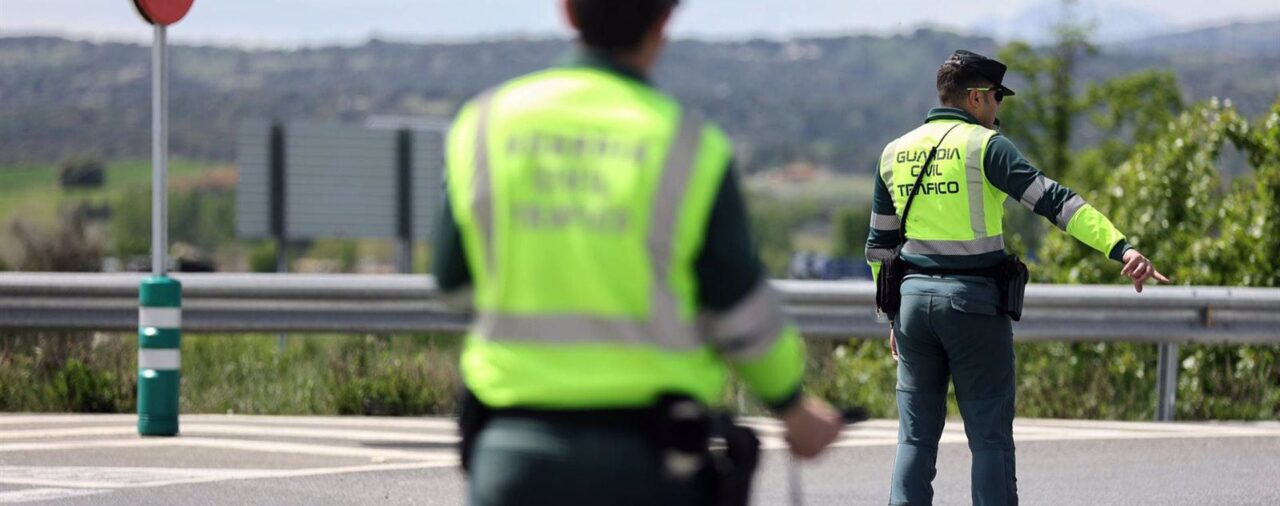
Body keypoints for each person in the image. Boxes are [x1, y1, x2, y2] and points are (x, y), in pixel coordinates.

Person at [434, 1, 844, 504]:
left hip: (513, 456)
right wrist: (791, 405)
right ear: (663, 22)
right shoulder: (689, 147)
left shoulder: (485, 124)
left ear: (567, 12)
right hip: (649, 461)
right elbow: (740, 308)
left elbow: (453, 283)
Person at [864, 50, 1169, 506]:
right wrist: (1120, 247)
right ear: (977, 98)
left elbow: (879, 249)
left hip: (912, 308)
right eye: (996, 100)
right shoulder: (986, 147)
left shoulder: (895, 152)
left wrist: (891, 316)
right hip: (972, 307)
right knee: (989, 440)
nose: (997, 111)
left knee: (914, 440)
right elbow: (1056, 202)